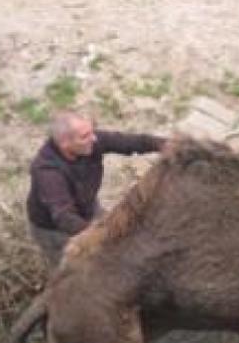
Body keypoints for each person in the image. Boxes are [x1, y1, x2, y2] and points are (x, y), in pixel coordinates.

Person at [26, 110, 164, 269]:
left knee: (119, 244)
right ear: (64, 143)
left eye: (92, 132)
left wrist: (167, 144)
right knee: (76, 272)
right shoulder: (47, 171)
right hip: (56, 231)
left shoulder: (89, 142)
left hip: (88, 207)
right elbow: (64, 216)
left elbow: (130, 142)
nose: (94, 138)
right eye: (85, 136)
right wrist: (101, 236)